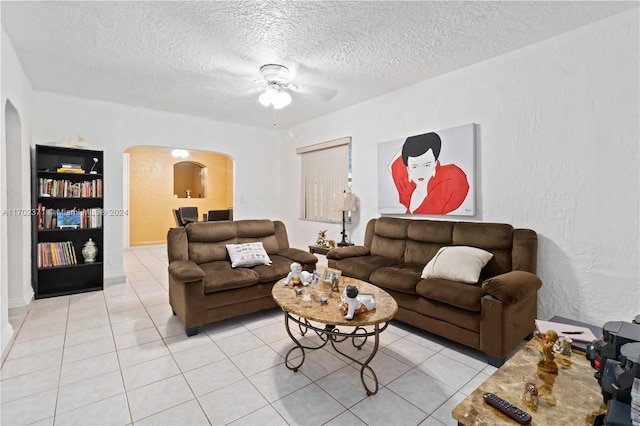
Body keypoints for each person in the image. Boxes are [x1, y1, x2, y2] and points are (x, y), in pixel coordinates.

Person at [391, 132, 469, 214]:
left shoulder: (447, 183)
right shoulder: (406, 192)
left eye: (426, 165)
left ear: (435, 164)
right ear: (408, 169)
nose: (420, 172)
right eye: (414, 166)